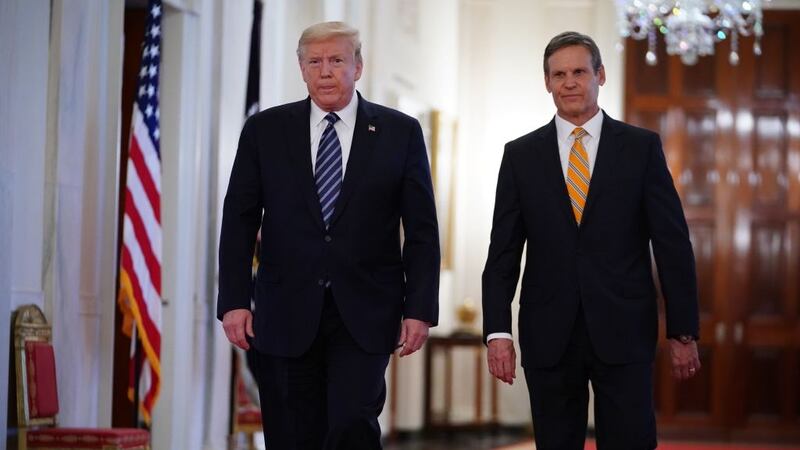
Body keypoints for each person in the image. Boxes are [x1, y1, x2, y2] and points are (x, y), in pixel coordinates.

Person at [217, 21, 440, 450]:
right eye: (314, 62)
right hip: (284, 311)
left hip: (366, 313)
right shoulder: (265, 130)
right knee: (289, 433)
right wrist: (234, 301)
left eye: (336, 60)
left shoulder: (400, 132)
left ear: (358, 66)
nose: (325, 72)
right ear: (301, 70)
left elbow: (422, 230)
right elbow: (239, 219)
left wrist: (419, 308)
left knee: (352, 426)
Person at [482, 31, 701, 450]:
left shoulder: (641, 149)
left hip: (624, 330)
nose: (569, 82)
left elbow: (672, 244)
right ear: (546, 82)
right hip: (548, 334)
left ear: (600, 75)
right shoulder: (520, 156)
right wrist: (497, 332)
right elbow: (503, 252)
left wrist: (683, 331)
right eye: (558, 74)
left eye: (579, 71)